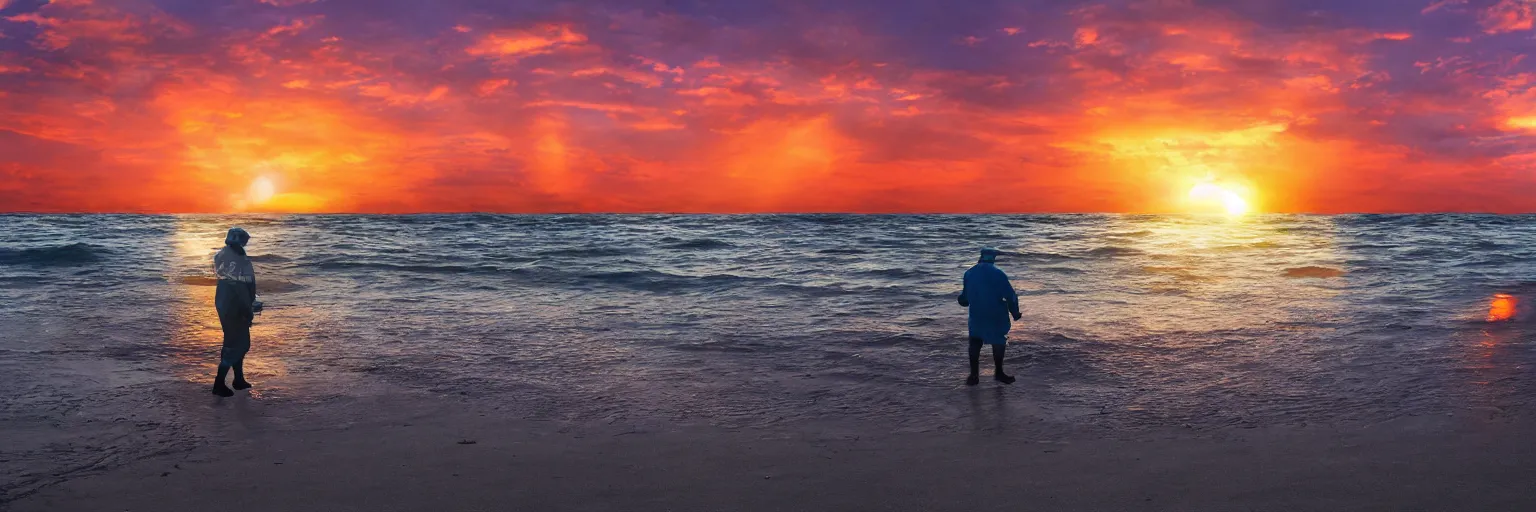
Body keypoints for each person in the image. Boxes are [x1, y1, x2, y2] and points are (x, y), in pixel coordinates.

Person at [957, 247, 1021, 386]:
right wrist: (1015, 313)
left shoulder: (969, 273)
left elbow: (964, 299)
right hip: (996, 314)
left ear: (980, 257)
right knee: (998, 342)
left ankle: (974, 376)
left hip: (976, 315)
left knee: (974, 343)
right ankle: (998, 373)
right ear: (993, 258)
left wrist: (961, 300)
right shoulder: (999, 274)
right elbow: (1010, 296)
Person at [212, 227, 257, 397]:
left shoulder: (221, 255)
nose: (245, 245)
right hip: (236, 305)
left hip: (224, 302)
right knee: (239, 344)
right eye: (244, 241)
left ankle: (238, 379)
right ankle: (219, 383)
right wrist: (248, 309)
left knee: (233, 341)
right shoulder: (238, 259)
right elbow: (240, 286)